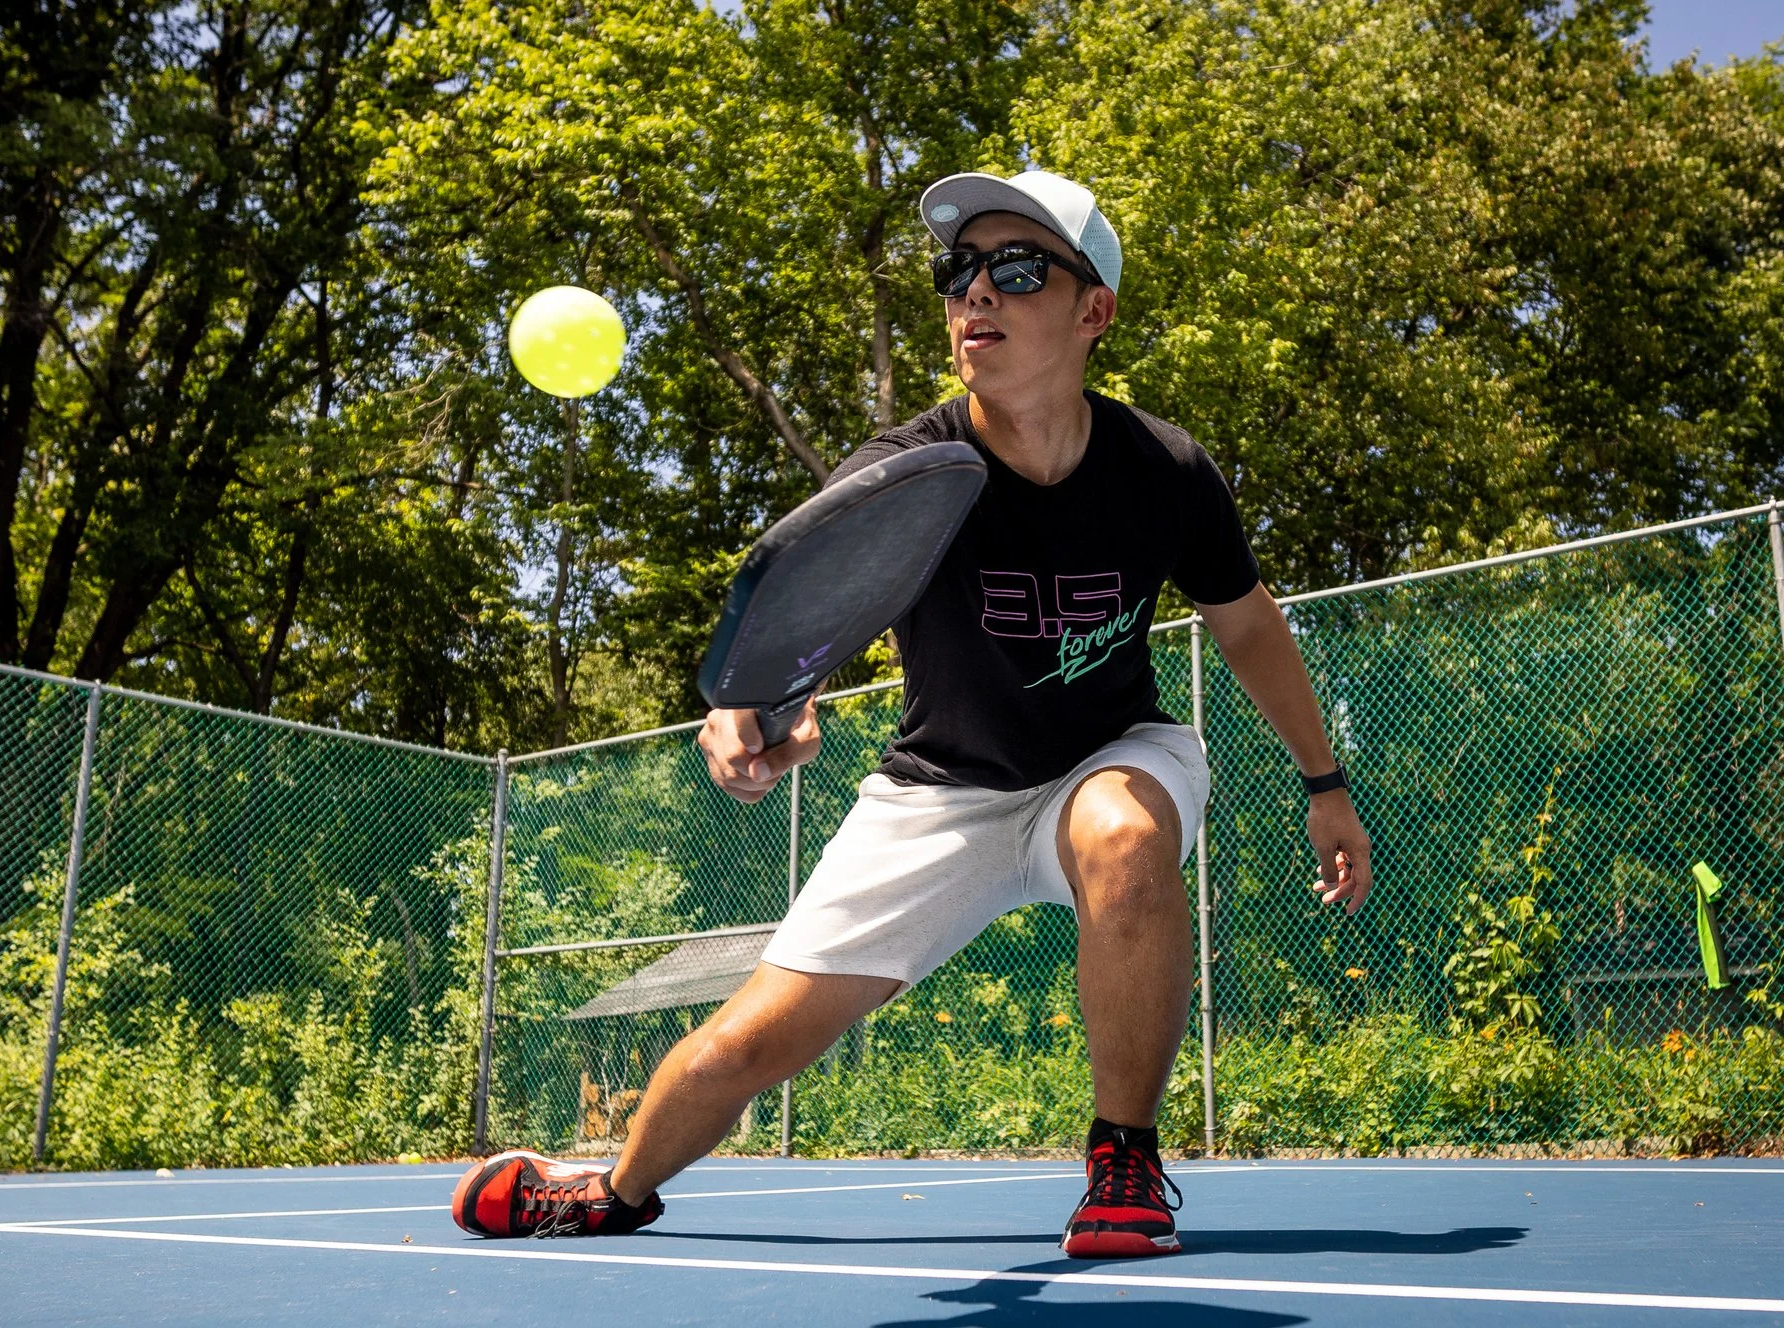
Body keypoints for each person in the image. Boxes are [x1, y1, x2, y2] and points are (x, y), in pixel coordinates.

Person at [451, 169, 1374, 1256]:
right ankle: (613, 1185)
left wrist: (1326, 786)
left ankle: (1122, 1156)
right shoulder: (906, 472)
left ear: (1094, 311)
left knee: (1124, 832)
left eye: (1015, 267)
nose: (973, 292)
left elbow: (1249, 624)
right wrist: (758, 714)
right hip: (938, 793)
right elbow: (804, 618)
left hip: (1109, 755)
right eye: (957, 270)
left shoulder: (1162, 470)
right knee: (739, 1050)